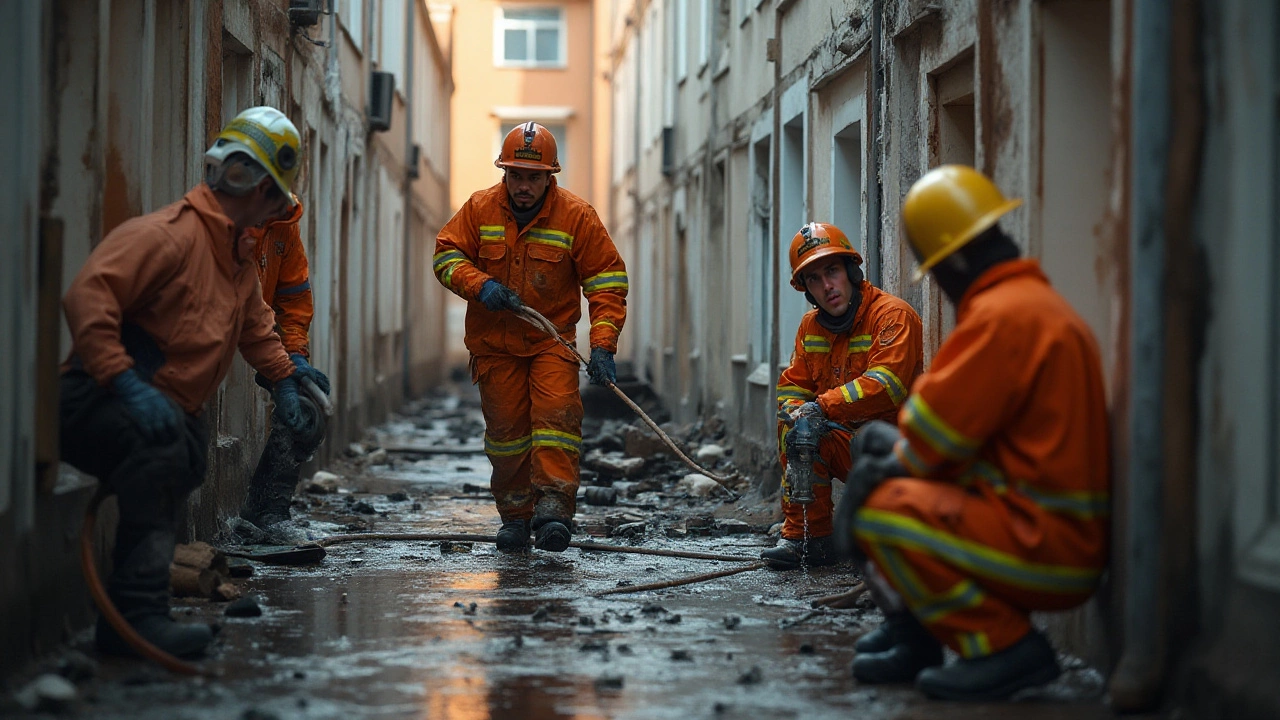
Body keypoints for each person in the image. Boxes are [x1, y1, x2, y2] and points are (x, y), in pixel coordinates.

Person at [60, 106, 328, 659]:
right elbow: (88, 297)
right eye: (276, 197)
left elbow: (255, 325)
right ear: (253, 185)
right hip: (96, 397)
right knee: (165, 454)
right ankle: (137, 617)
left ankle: (129, 622)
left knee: (185, 451)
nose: (279, 210)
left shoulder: (235, 254)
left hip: (157, 408)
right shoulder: (167, 236)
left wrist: (284, 378)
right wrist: (123, 381)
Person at [834, 165, 1110, 701]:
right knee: (879, 456)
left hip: (1049, 548)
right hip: (1049, 525)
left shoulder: (1002, 317)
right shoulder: (1034, 305)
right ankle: (916, 638)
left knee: (881, 508)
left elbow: (930, 436)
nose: (941, 285)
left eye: (937, 271)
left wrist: (866, 487)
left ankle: (1005, 649)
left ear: (956, 261)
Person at [434, 122, 628, 553]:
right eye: (516, 176)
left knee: (557, 421)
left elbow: (607, 282)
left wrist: (602, 345)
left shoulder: (577, 216)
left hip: (550, 343)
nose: (524, 186)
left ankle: (555, 512)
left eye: (533, 177)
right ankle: (516, 518)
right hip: (494, 346)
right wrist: (479, 284)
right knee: (507, 437)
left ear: (550, 177)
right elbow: (446, 255)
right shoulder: (479, 209)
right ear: (504, 174)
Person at [762, 222, 923, 570]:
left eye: (832, 271)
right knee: (795, 431)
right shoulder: (810, 327)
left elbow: (887, 385)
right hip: (848, 444)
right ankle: (809, 538)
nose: (827, 286)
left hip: (897, 453)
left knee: (810, 423)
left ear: (851, 271)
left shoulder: (892, 316)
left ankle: (888, 538)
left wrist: (819, 407)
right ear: (806, 290)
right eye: (814, 280)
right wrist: (798, 415)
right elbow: (793, 387)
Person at [238, 195, 332, 532]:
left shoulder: (283, 225)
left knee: (304, 409)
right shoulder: (223, 224)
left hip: (257, 329)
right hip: (209, 333)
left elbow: (292, 301)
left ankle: (269, 511)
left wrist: (293, 359)